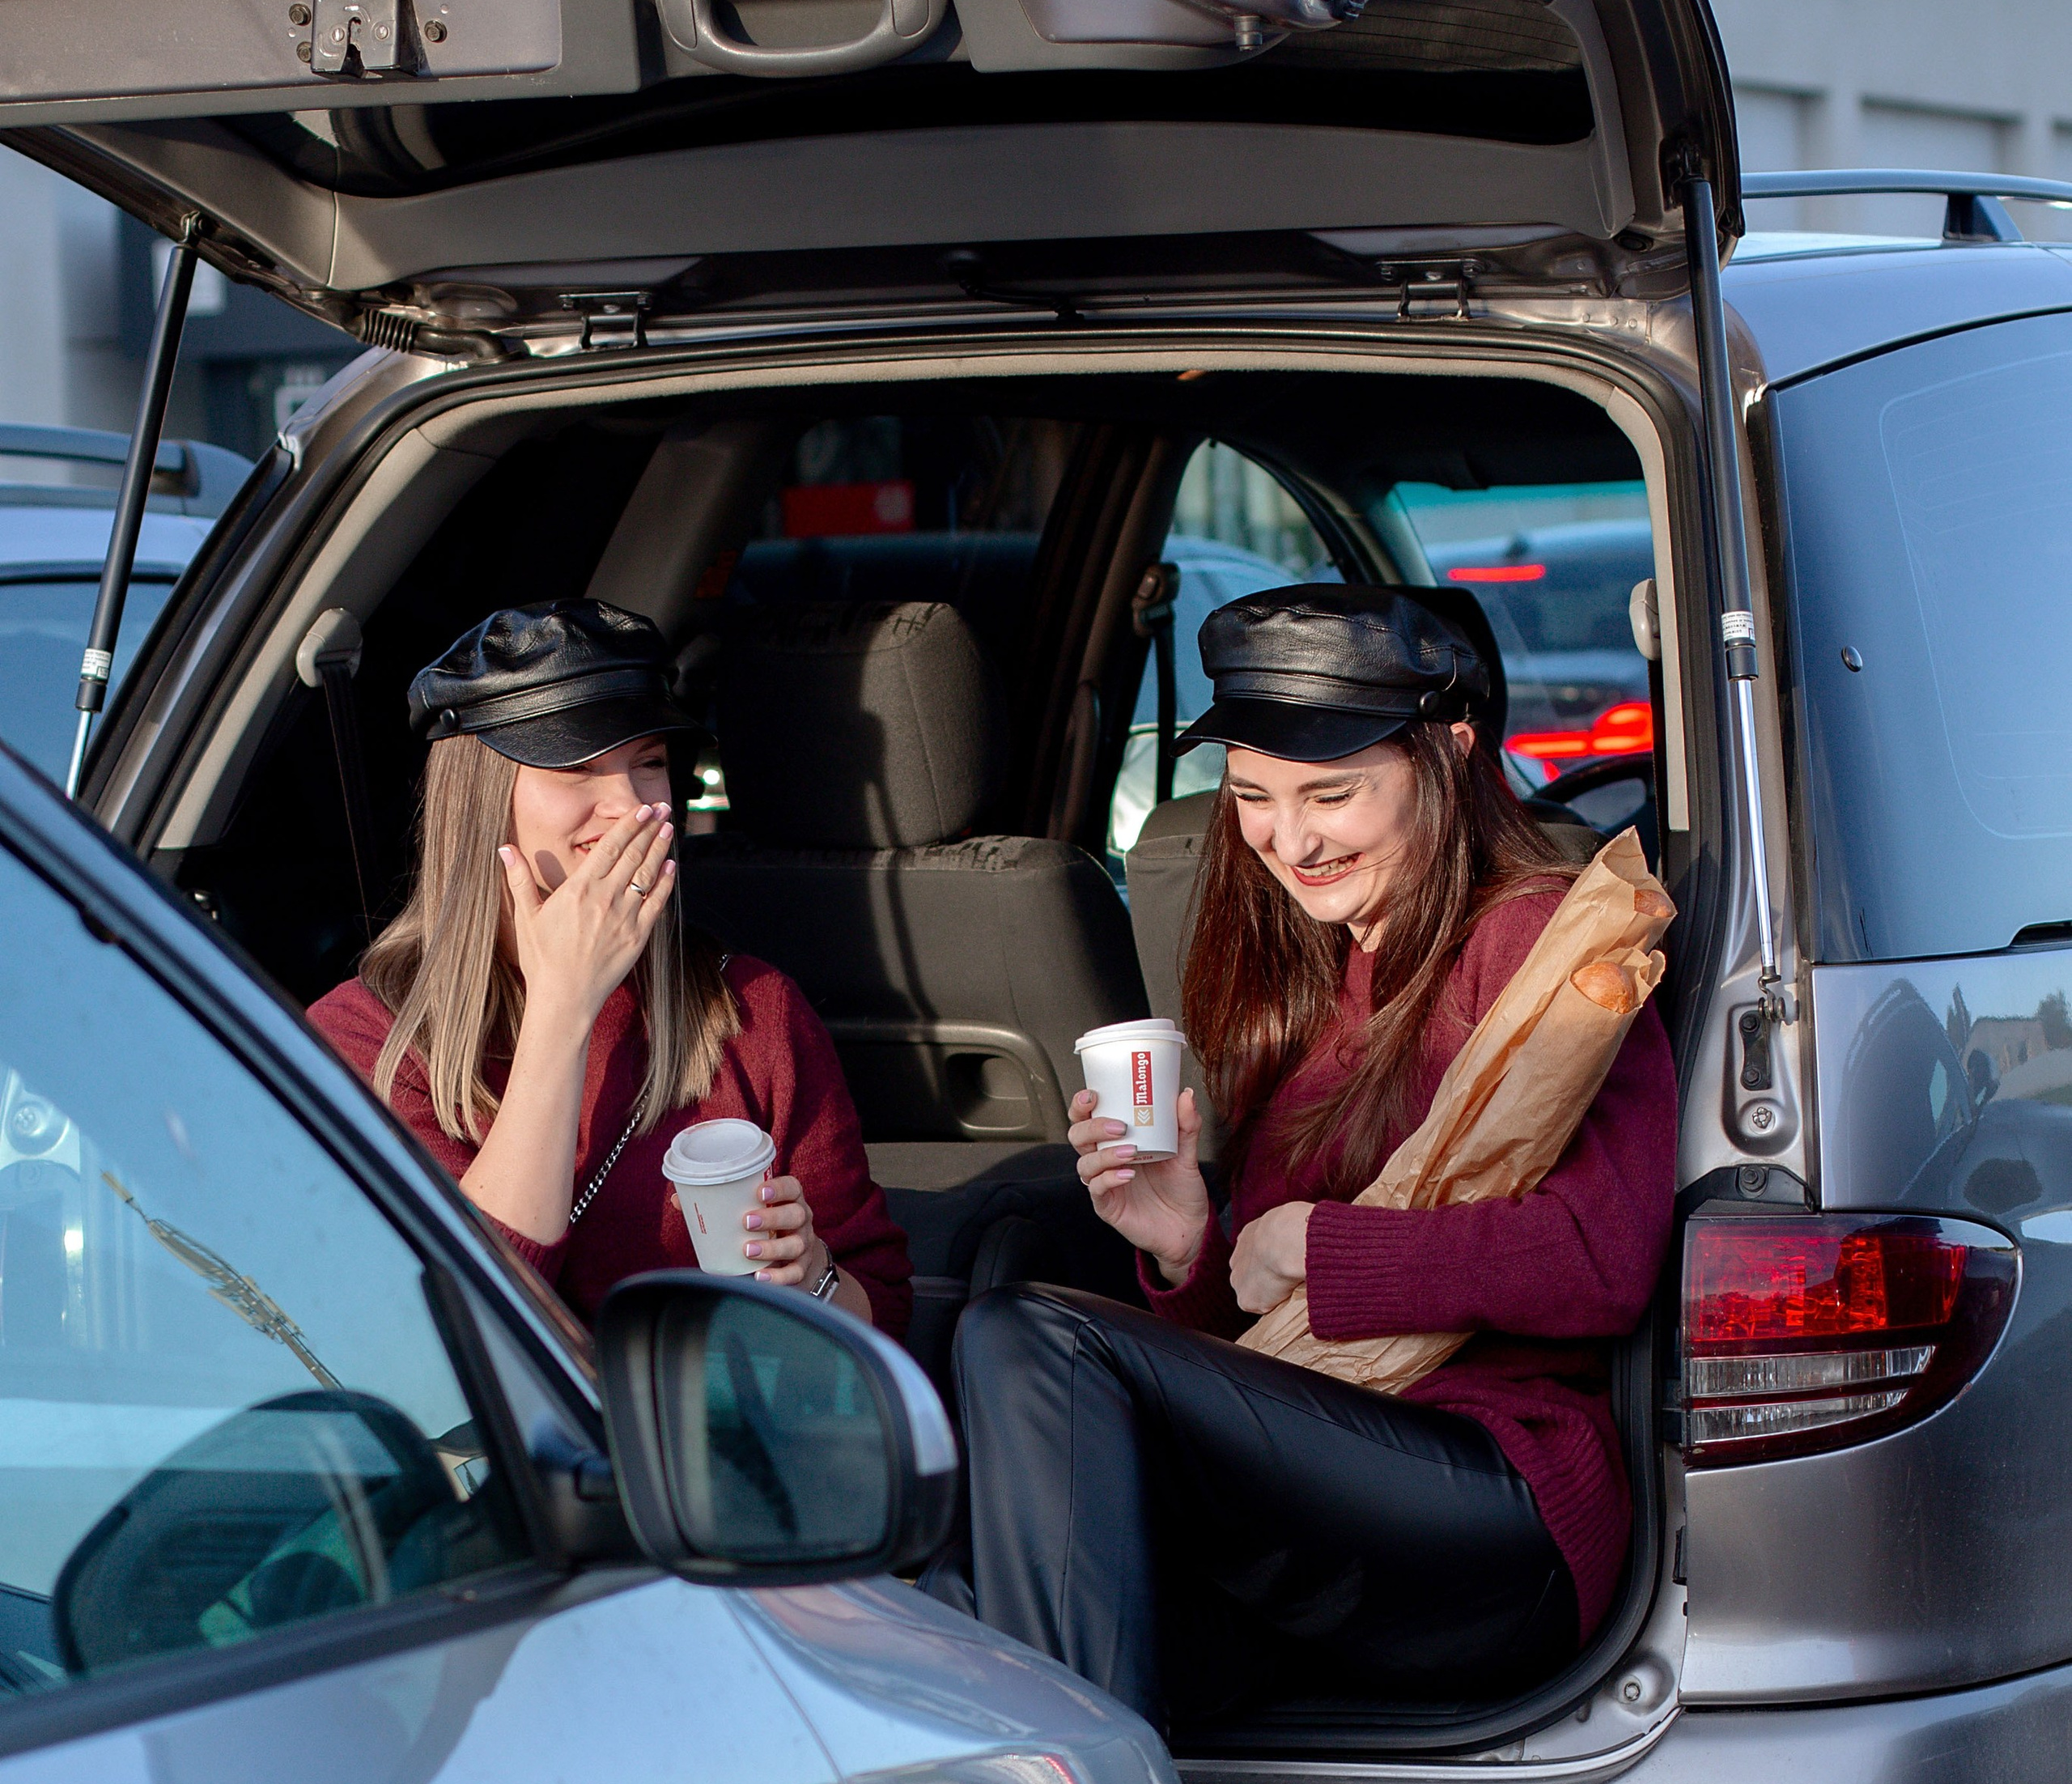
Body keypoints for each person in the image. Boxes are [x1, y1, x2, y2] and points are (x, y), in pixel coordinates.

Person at [952, 584, 1675, 1724]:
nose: (1290, 841)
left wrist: (1318, 1246)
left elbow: (1603, 1257)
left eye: (1332, 794)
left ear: (1449, 753)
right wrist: (1191, 1242)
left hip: (1500, 1499)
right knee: (966, 1565)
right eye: (1252, 798)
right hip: (1344, 1476)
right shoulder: (1305, 982)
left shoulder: (1537, 938)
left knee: (1030, 1334)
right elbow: (1269, 1340)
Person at [309, 601, 911, 1336]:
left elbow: (882, 1308)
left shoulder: (752, 1011)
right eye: (576, 769)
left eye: (649, 764)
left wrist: (812, 1275)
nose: (630, 807)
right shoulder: (367, 1036)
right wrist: (563, 1004)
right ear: (482, 805)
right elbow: (472, 1327)